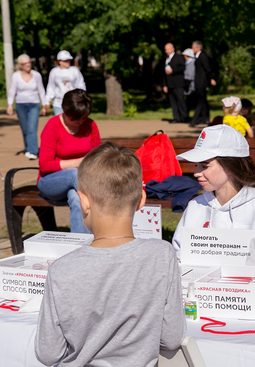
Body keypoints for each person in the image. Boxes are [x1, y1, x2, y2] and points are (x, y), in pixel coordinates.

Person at [35, 143, 185, 367]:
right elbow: (172, 339)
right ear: (141, 200)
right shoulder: (162, 254)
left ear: (83, 202)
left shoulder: (61, 269)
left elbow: (48, 354)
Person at [171, 125, 255, 258]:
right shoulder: (195, 206)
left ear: (230, 167)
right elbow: (178, 253)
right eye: (196, 166)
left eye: (204, 166)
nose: (196, 173)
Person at [37, 90, 100, 234]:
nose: (81, 121)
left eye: (84, 118)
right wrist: (77, 162)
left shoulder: (90, 125)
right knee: (74, 173)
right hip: (50, 181)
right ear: (64, 110)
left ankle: (81, 247)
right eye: (76, 118)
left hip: (82, 184)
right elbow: (45, 165)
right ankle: (106, 219)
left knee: (76, 198)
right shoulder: (53, 126)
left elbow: (98, 156)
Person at [7, 54, 46, 160]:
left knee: (32, 128)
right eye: (25, 63)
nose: (28, 65)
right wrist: (10, 105)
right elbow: (12, 91)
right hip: (20, 105)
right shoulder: (16, 76)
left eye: (29, 62)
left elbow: (41, 90)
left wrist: (45, 104)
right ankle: (28, 148)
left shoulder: (37, 75)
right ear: (20, 65)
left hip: (34, 104)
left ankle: (33, 151)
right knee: (25, 129)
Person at [45, 50, 87, 116]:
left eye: (69, 60)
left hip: (73, 103)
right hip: (59, 104)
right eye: (65, 60)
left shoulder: (74, 70)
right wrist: (47, 101)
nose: (68, 62)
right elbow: (51, 87)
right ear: (59, 61)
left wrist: (81, 98)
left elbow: (81, 84)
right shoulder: (54, 72)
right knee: (60, 124)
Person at [190, 41, 216, 127]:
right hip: (199, 82)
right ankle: (205, 119)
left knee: (200, 102)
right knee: (203, 101)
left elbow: (207, 69)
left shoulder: (202, 57)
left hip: (202, 82)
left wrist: (211, 78)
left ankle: (194, 120)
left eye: (193, 47)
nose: (192, 49)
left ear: (198, 48)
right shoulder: (197, 57)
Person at [162, 43, 188, 123]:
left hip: (178, 83)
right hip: (170, 84)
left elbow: (182, 67)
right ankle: (176, 118)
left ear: (173, 49)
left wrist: (173, 71)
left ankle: (184, 117)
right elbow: (164, 74)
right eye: (165, 49)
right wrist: (164, 85)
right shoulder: (166, 59)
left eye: (168, 49)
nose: (166, 51)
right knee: (173, 102)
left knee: (181, 100)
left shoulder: (178, 57)